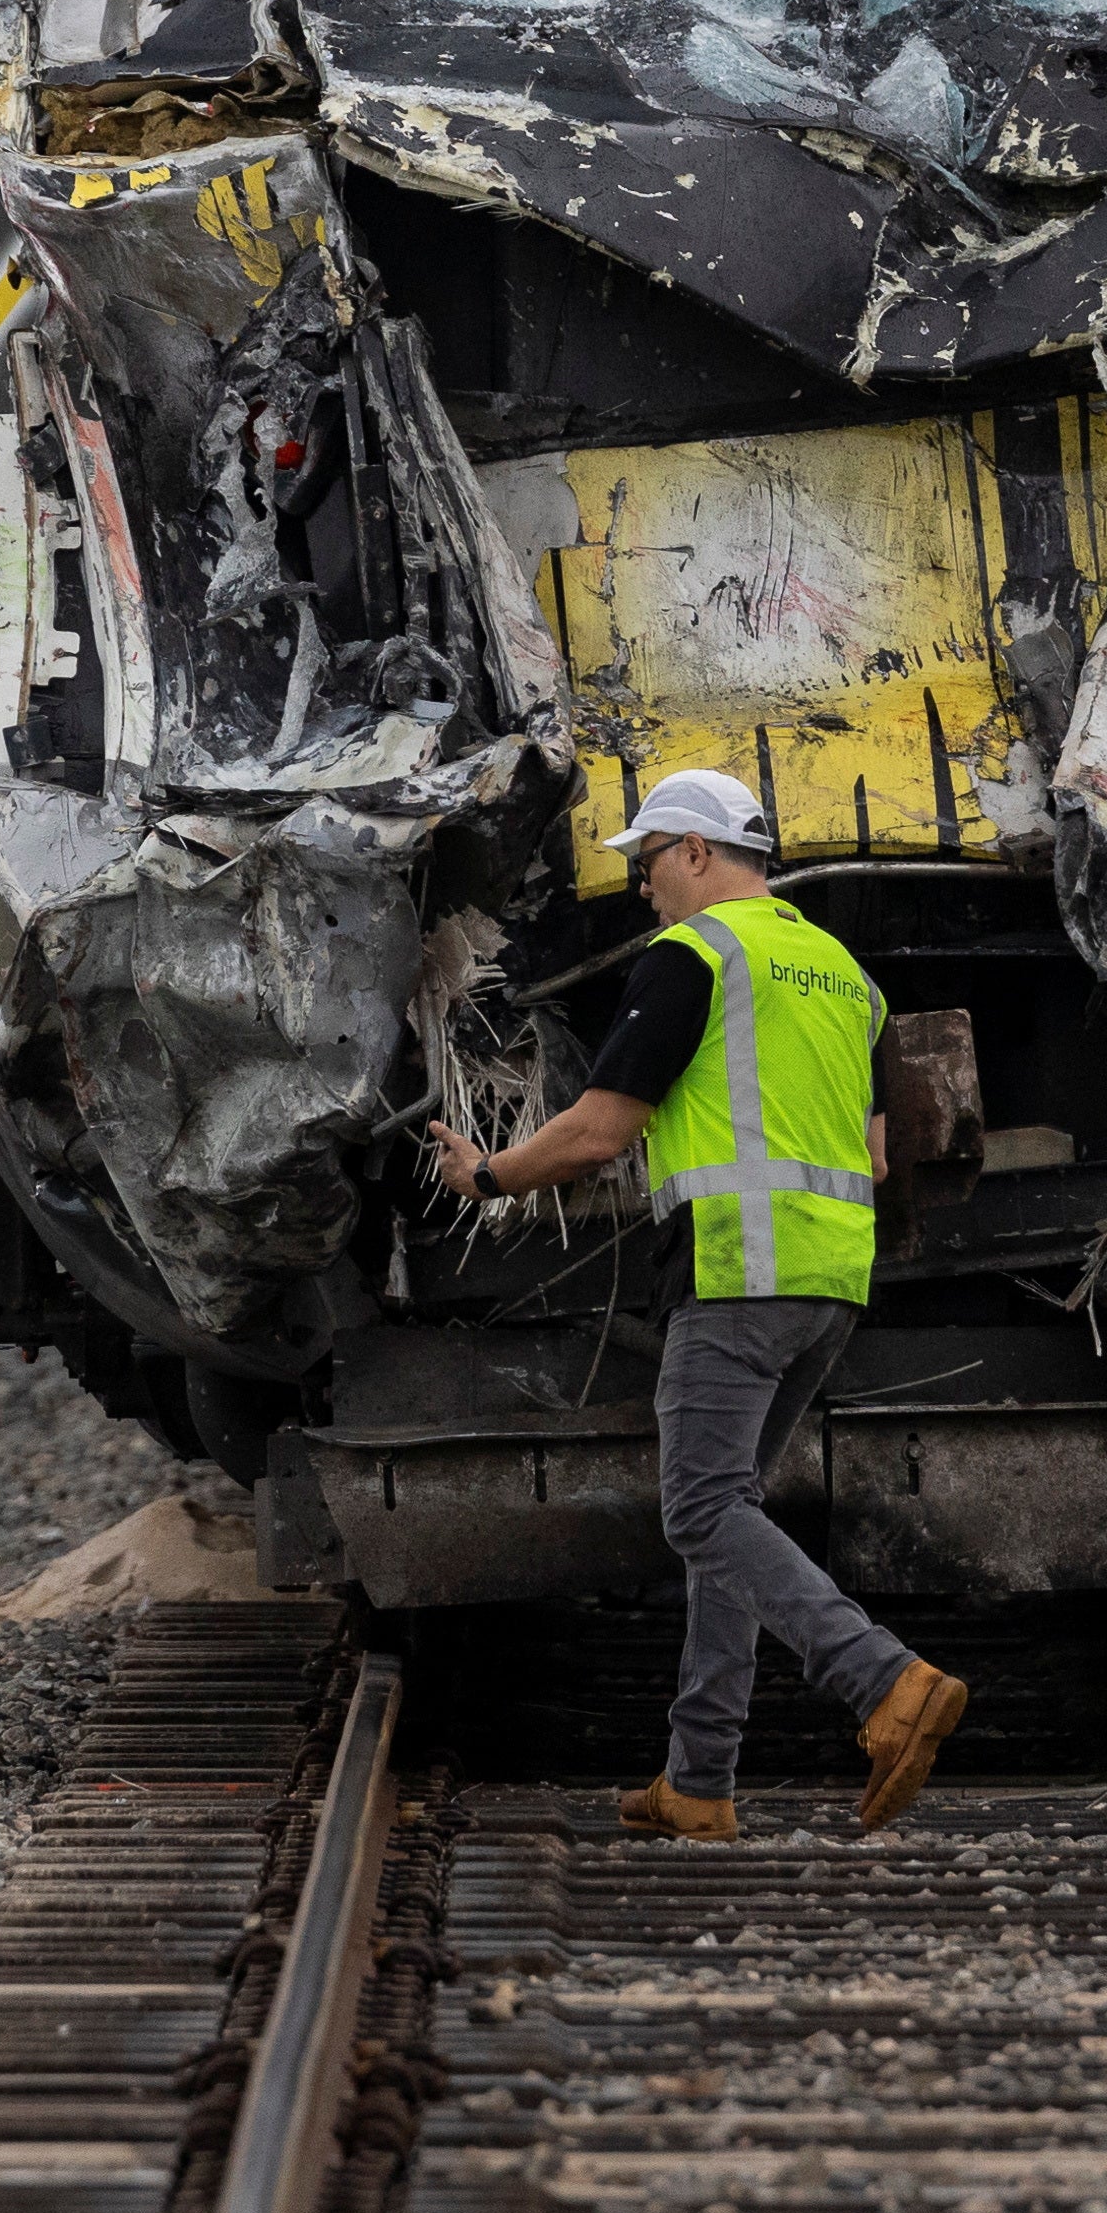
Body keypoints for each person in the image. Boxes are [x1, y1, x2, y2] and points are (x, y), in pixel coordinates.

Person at [415, 769, 975, 1840]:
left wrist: (487, 1176)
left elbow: (598, 1130)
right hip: (831, 1283)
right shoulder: (840, 972)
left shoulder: (696, 956)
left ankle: (885, 1683)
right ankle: (700, 1780)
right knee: (732, 1516)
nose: (642, 887)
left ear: (701, 855)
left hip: (737, 1274)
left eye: (649, 861)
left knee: (701, 1509)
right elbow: (871, 1147)